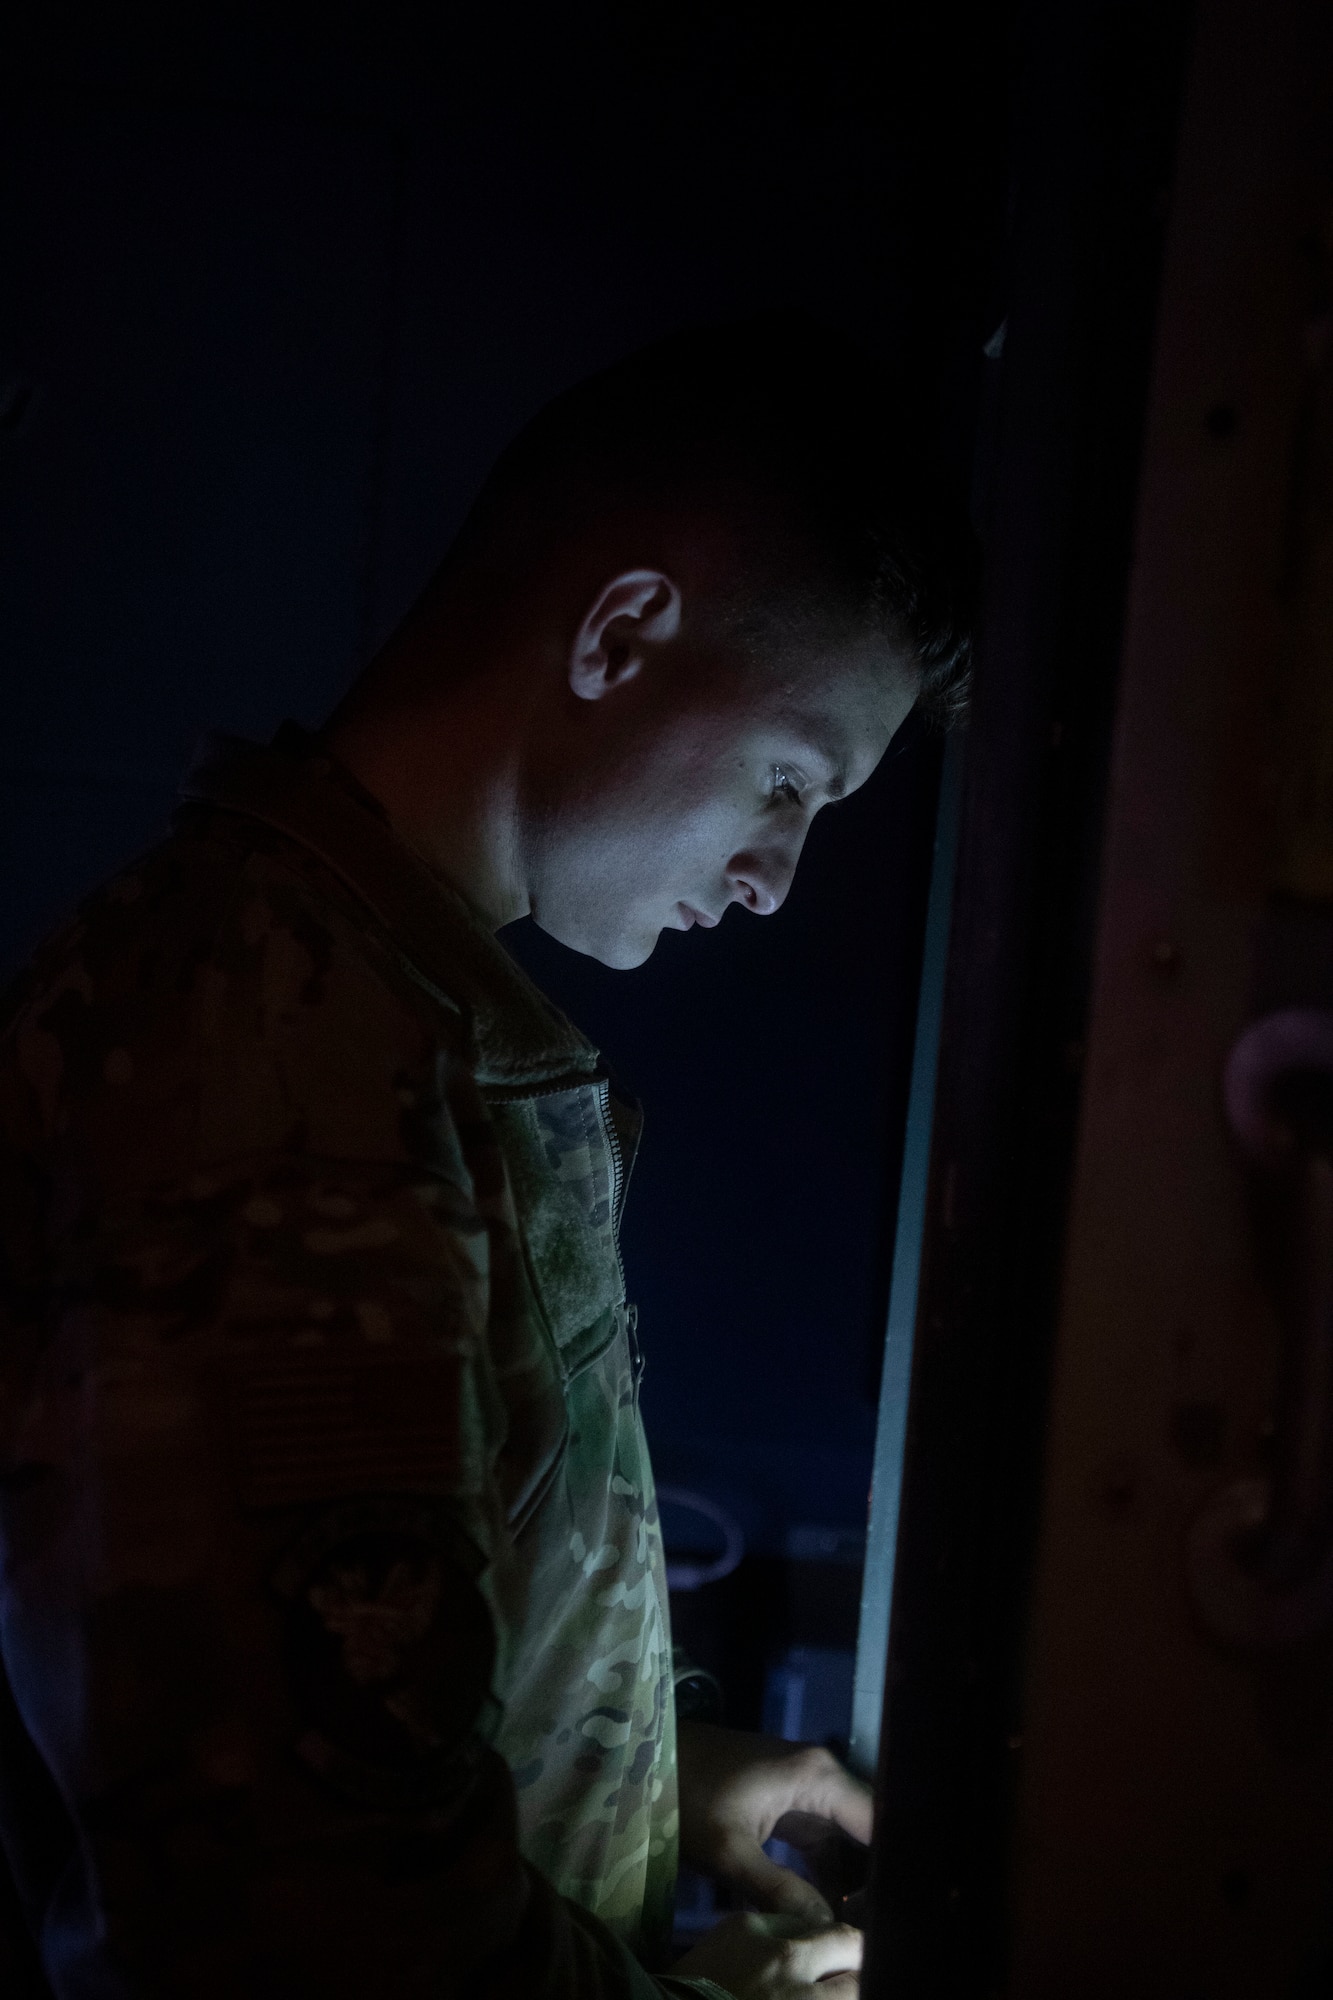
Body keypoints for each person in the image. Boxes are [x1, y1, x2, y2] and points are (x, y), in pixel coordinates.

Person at [0, 315, 972, 1998]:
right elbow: (303, 1916)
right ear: (620, 632)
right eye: (787, 781)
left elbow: (373, 1658)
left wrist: (680, 1768)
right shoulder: (275, 1059)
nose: (772, 879)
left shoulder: (392, 1019)